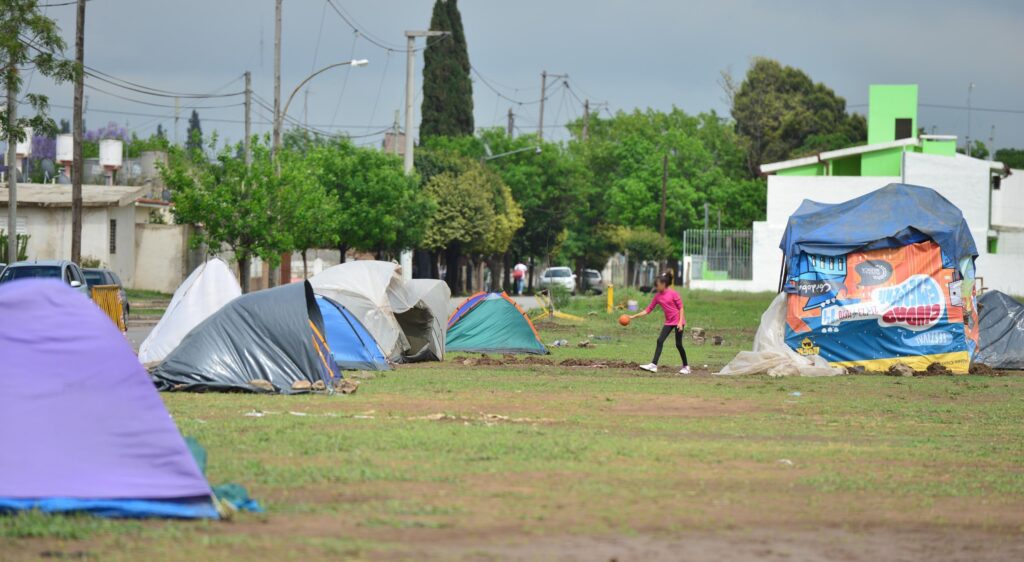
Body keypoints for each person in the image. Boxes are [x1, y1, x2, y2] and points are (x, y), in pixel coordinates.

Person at [629, 272, 690, 374]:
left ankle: (686, 367)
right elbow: (648, 309)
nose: (656, 287)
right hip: (669, 322)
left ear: (663, 284)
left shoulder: (673, 293)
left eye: (657, 285)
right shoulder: (657, 296)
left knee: (678, 344)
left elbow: (681, 308)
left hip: (679, 320)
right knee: (660, 340)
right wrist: (633, 316)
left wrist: (680, 323)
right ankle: (653, 365)